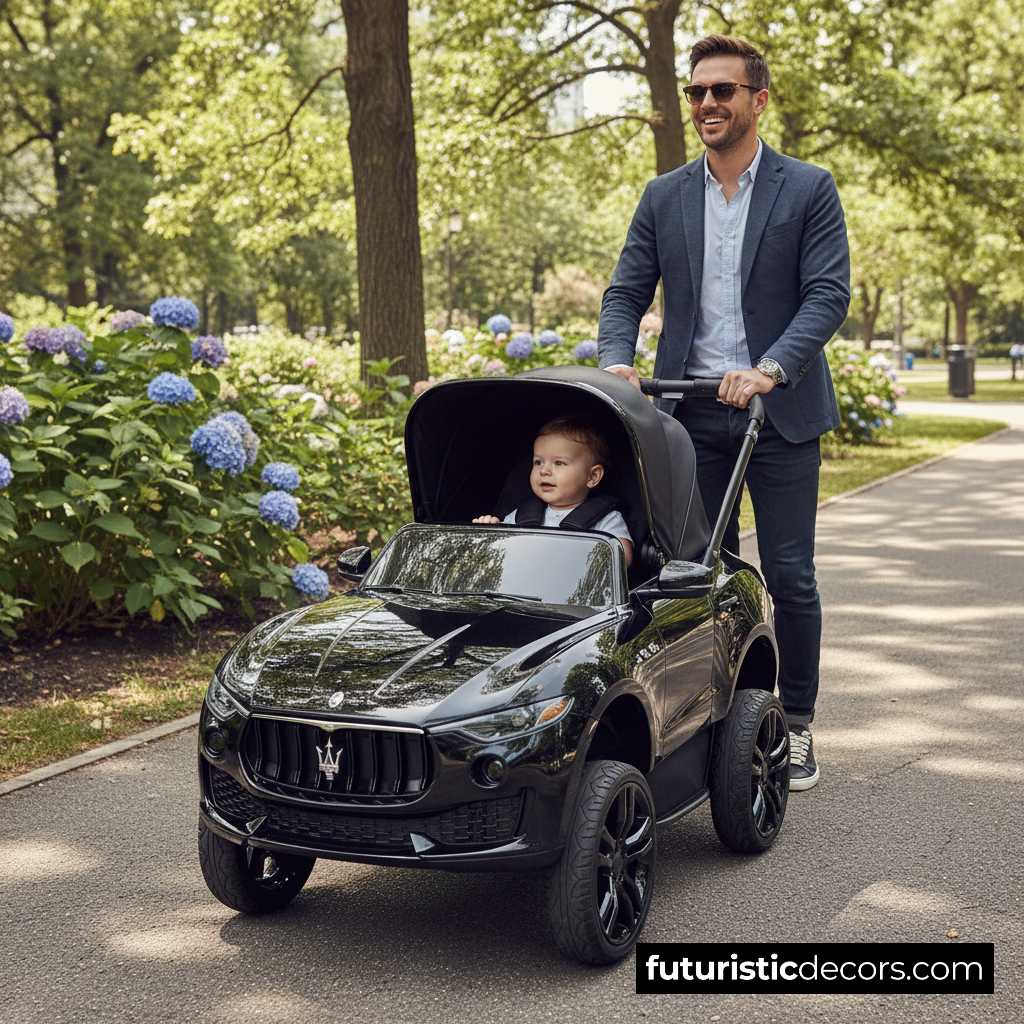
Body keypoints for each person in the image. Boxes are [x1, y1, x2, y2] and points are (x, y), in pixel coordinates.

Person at [598, 34, 850, 791]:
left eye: (723, 91)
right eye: (698, 92)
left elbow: (827, 295)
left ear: (758, 100)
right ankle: (713, 721)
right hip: (688, 413)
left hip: (778, 412)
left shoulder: (808, 188)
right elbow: (624, 293)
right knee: (694, 575)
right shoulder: (664, 195)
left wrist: (770, 368)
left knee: (789, 574)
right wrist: (618, 360)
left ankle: (795, 725)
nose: (707, 103)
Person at [473, 416, 634, 566]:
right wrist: (490, 531)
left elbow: (623, 558)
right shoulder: (521, 515)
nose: (544, 471)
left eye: (559, 463)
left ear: (592, 476)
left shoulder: (606, 519)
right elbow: (502, 551)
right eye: (538, 462)